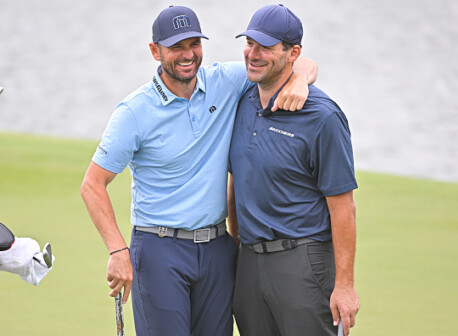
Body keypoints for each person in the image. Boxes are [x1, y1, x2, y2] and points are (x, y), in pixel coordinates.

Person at [80, 5, 317, 336]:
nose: (187, 54)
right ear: (155, 51)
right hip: (159, 249)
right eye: (176, 46)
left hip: (217, 249)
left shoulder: (225, 81)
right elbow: (92, 185)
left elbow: (293, 61)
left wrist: (300, 78)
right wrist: (118, 250)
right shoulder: (133, 112)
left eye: (194, 43)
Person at [228, 4, 360, 336]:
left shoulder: (323, 117)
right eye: (249, 43)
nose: (253, 54)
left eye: (266, 47)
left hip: (302, 263)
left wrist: (344, 286)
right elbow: (237, 178)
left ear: (292, 53)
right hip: (249, 263)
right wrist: (235, 243)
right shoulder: (241, 98)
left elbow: (343, 207)